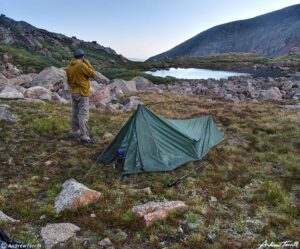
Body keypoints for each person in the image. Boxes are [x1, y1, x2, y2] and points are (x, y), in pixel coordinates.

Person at [66, 48, 96, 144]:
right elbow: (93, 74)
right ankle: (84, 137)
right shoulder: (82, 65)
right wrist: (87, 63)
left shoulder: (70, 66)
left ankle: (75, 132)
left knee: (75, 113)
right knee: (83, 114)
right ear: (83, 56)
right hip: (82, 92)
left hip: (74, 92)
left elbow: (69, 81)